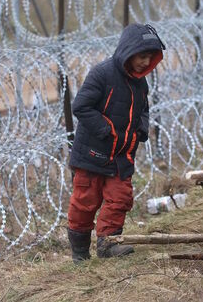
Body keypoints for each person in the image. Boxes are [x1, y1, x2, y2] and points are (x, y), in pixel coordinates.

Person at [66, 23, 166, 262]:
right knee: (85, 203)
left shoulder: (141, 84)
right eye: (142, 56)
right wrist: (106, 130)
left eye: (150, 58)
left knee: (120, 198)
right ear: (129, 51)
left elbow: (143, 110)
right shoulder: (102, 74)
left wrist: (140, 131)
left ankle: (108, 244)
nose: (145, 62)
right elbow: (80, 106)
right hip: (92, 154)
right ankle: (80, 252)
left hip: (122, 155)